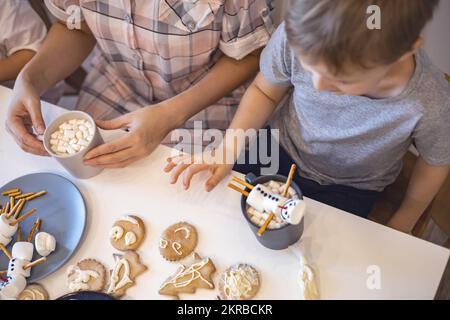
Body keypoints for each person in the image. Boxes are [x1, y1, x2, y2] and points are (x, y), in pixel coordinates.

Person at [165, 0, 450, 233]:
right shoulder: (293, 35)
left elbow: (435, 161)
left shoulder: (430, 100)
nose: (317, 86)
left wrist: (405, 220)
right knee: (221, 220)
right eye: (308, 66)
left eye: (340, 80)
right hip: (278, 148)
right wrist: (227, 149)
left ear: (404, 50)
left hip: (351, 187)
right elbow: (265, 92)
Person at [6, 0, 274, 165]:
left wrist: (170, 114)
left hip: (206, 98)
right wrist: (29, 79)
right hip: (116, 85)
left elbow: (248, 54)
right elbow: (75, 27)